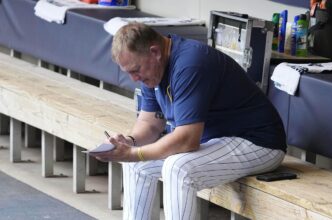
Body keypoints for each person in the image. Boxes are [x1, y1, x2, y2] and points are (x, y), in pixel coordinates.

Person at [93, 22, 287, 220]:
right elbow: (150, 124)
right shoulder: (151, 69)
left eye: (135, 70)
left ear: (155, 52)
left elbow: (187, 140)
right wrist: (129, 143)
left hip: (258, 142)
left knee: (177, 168)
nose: (134, 78)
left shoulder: (190, 63)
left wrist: (135, 153)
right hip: (217, 140)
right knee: (136, 164)